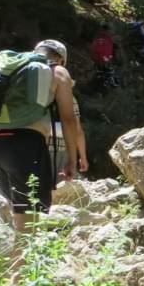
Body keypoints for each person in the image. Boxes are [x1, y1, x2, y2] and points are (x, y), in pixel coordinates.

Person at [0, 39, 85, 232]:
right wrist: (72, 159)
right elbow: (69, 120)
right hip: (25, 145)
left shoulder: (9, 68)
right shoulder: (57, 72)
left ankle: (6, 260)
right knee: (29, 217)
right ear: (60, 60)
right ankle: (24, 261)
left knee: (12, 207)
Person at [38, 41, 88, 183]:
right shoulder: (65, 92)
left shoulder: (25, 81)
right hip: (57, 149)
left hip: (25, 143)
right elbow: (76, 128)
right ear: (60, 60)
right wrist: (81, 157)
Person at [90, 23, 118, 89]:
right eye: (111, 30)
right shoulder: (101, 40)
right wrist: (104, 60)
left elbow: (109, 51)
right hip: (100, 61)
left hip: (105, 61)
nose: (112, 32)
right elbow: (97, 51)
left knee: (110, 73)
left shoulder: (109, 39)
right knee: (105, 74)